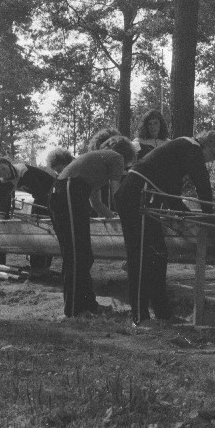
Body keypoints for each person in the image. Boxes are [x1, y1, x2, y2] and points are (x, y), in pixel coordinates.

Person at [115, 130, 215, 325]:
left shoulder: (181, 150)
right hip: (138, 194)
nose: (209, 161)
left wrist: (186, 213)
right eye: (213, 156)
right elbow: (202, 183)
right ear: (209, 145)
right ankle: (140, 317)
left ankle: (162, 313)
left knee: (158, 255)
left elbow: (171, 191)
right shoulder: (190, 148)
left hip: (147, 194)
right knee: (141, 258)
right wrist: (209, 213)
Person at [49, 136, 136, 318]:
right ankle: (73, 310)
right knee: (75, 255)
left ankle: (89, 305)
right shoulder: (116, 158)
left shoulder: (96, 165)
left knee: (84, 255)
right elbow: (117, 192)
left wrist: (113, 217)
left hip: (71, 193)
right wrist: (128, 216)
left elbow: (96, 203)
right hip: (68, 192)